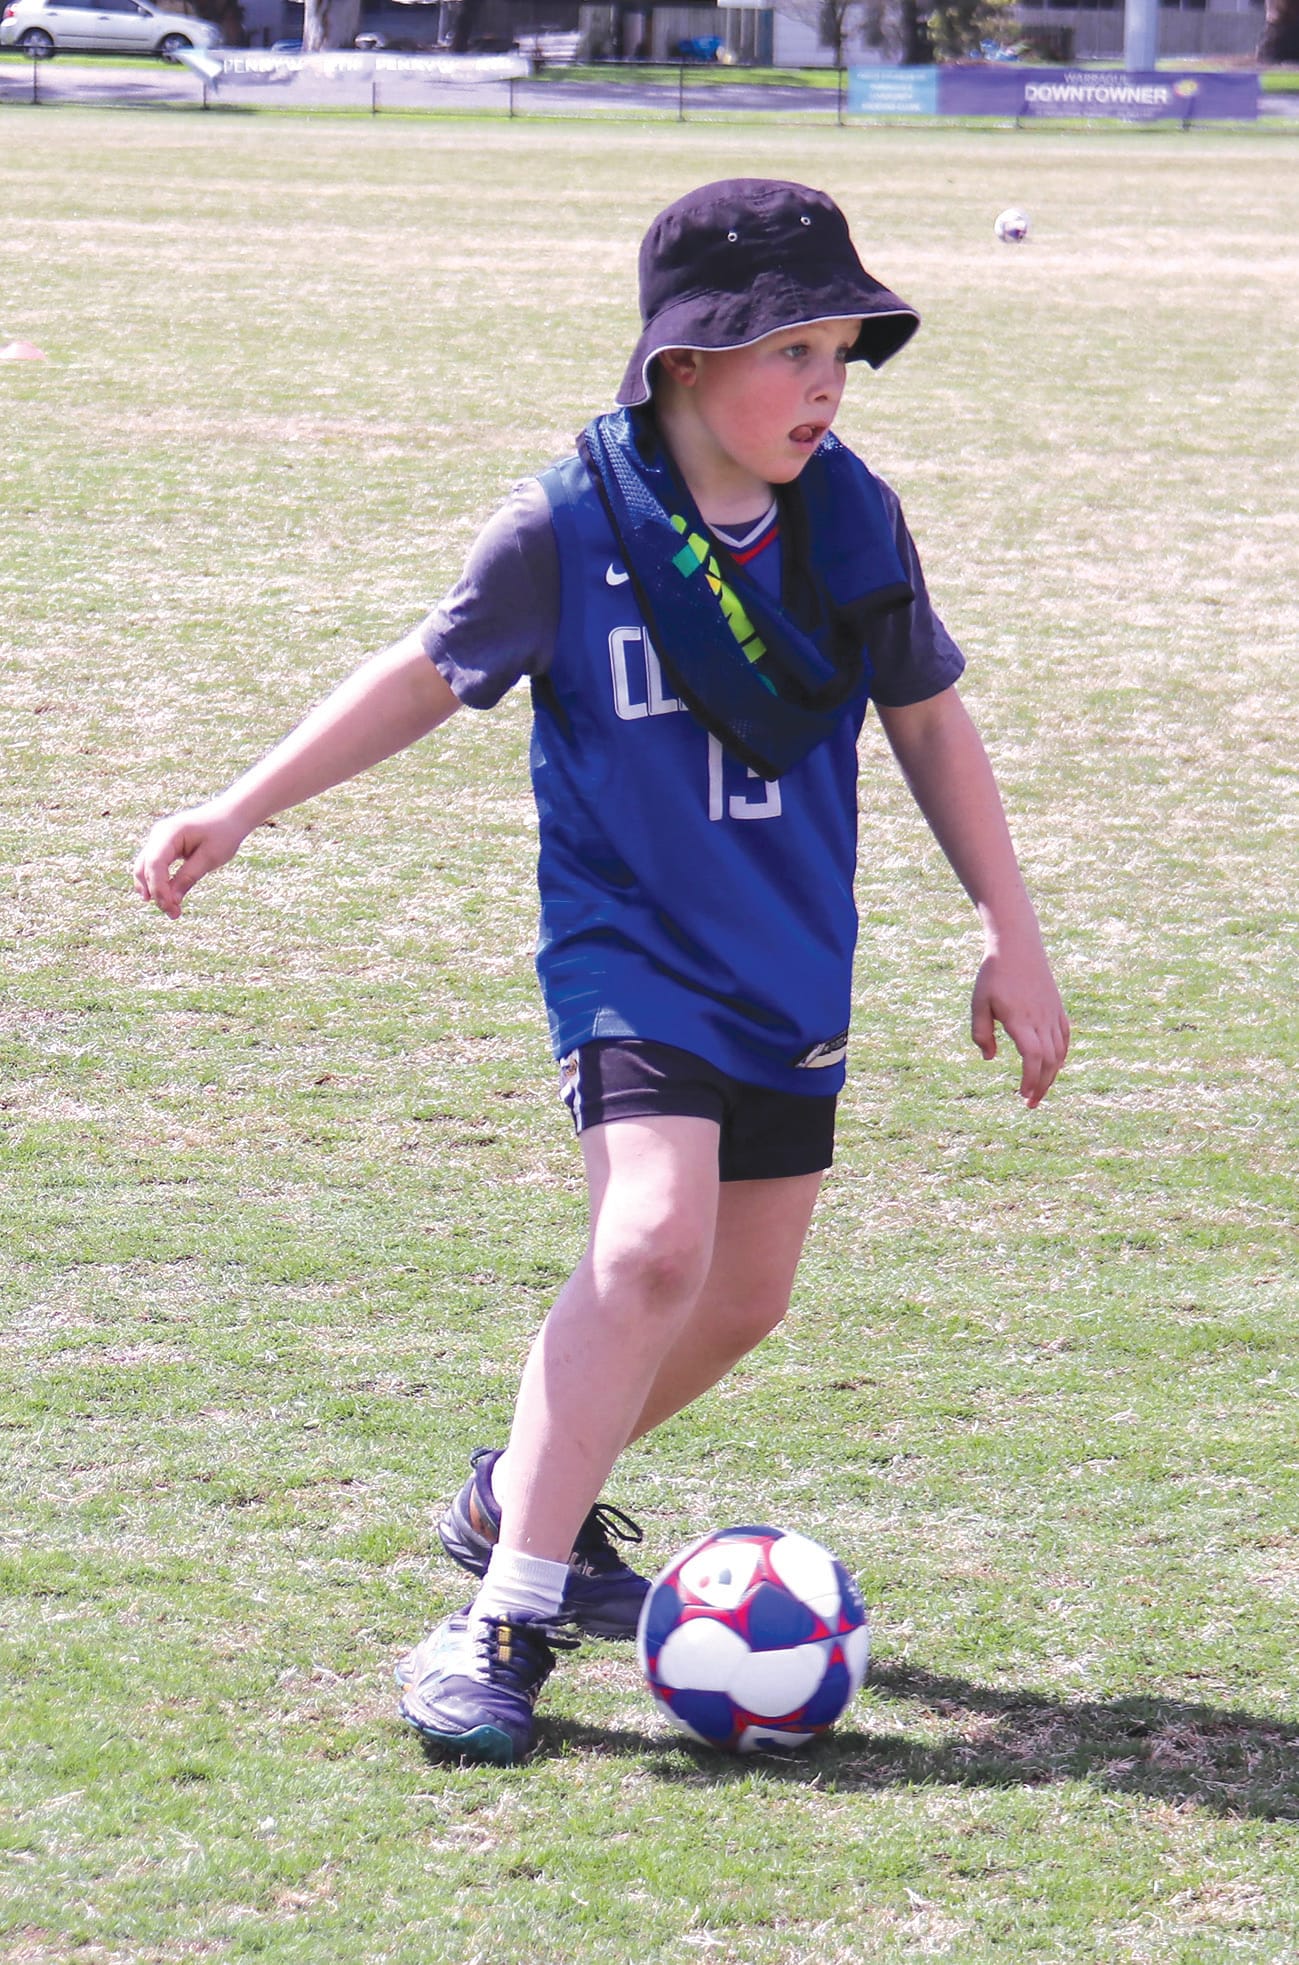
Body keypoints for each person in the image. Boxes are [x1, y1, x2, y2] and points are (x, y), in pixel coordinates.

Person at [134, 178, 1070, 1766]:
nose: (827, 382)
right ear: (683, 363)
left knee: (744, 1297)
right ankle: (501, 1614)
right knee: (647, 1249)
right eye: (791, 347)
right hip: (632, 951)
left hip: (792, 960)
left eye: (844, 347)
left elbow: (925, 715)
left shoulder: (852, 516)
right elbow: (429, 672)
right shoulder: (573, 515)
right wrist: (241, 805)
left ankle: (520, 1483)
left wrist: (1012, 922)